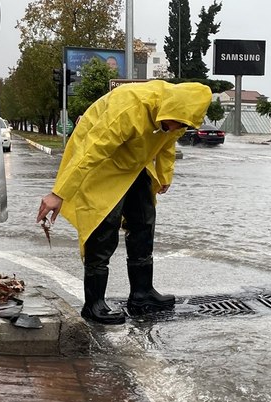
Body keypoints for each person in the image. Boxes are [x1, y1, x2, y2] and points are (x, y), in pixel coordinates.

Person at [36, 80, 212, 325]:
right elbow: (90, 152)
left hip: (133, 163)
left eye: (182, 125)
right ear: (167, 109)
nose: (176, 128)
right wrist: (59, 192)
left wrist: (165, 174)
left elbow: (167, 144)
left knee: (143, 220)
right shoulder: (128, 109)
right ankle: (94, 304)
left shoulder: (178, 116)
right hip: (101, 162)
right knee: (103, 226)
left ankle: (142, 294)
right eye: (176, 123)